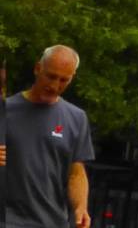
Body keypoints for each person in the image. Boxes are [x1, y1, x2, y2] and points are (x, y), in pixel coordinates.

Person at [2, 45, 94, 228]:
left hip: (52, 222)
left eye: (63, 80)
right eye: (51, 76)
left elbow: (76, 173)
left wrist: (81, 207)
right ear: (37, 68)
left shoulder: (77, 118)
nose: (54, 85)